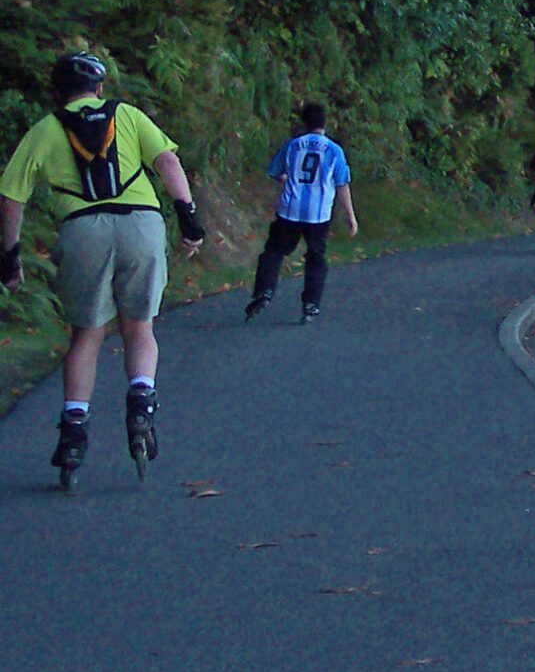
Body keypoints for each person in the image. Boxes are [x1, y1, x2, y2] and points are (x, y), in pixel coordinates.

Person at [1, 52, 207, 485]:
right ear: (99, 88)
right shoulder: (127, 115)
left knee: (88, 335)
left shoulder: (46, 128)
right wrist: (188, 217)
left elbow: (11, 194)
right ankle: (141, 402)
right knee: (140, 327)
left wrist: (10, 255)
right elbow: (167, 161)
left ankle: (74, 431)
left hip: (82, 231)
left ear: (58, 92)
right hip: (142, 225)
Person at [247, 103, 357, 324]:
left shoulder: (293, 145)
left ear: (304, 122)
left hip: (290, 209)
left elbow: (278, 172)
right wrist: (350, 216)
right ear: (325, 122)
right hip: (318, 215)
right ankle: (311, 303)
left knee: (275, 250)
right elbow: (342, 184)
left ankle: (265, 290)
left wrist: (290, 181)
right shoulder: (334, 150)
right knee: (316, 258)